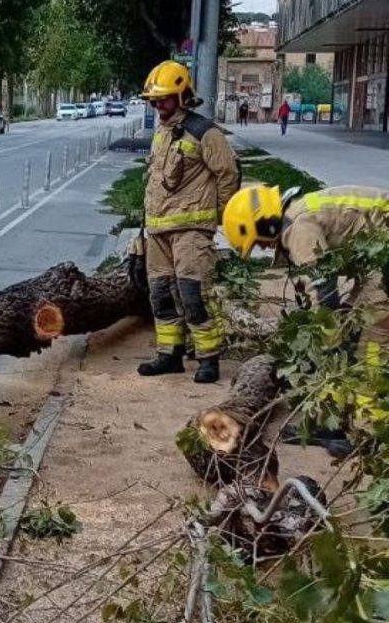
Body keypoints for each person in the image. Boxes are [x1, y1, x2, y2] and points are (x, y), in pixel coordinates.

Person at [224, 184, 389, 452]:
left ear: (265, 224)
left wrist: (326, 339)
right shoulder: (299, 215)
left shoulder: (297, 227)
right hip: (381, 258)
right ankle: (335, 422)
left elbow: (321, 289)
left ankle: (368, 434)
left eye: (258, 242)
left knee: (371, 341)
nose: (264, 248)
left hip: (384, 257)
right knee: (351, 321)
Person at [137, 60, 241, 384]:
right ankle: (169, 355)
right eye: (154, 100)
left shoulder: (204, 132)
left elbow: (228, 174)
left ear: (182, 95)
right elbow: (154, 179)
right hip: (158, 230)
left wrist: (220, 214)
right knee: (160, 295)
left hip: (191, 231)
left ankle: (208, 359)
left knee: (193, 295)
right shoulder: (162, 133)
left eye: (165, 99)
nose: (159, 105)